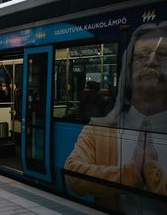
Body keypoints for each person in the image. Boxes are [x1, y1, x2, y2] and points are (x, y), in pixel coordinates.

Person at [65, 22, 167, 214]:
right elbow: (72, 174)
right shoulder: (98, 129)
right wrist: (131, 174)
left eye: (163, 55)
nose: (152, 62)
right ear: (127, 71)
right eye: (142, 56)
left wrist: (151, 174)